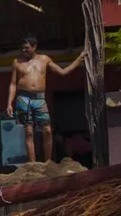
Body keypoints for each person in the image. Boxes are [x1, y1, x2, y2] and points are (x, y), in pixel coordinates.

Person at [6, 35, 86, 163]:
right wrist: (9, 103)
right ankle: (33, 164)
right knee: (28, 131)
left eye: (27, 48)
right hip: (23, 98)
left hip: (39, 98)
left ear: (34, 47)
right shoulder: (17, 62)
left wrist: (78, 60)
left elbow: (63, 72)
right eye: (22, 49)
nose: (24, 51)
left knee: (47, 130)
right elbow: (13, 84)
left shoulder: (44, 60)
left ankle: (47, 162)